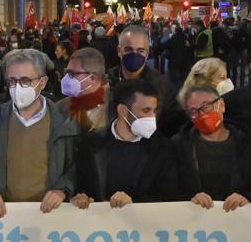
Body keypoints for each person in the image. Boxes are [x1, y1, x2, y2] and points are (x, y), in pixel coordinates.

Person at [0, 49, 78, 218]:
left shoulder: (63, 120)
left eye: (25, 80)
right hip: (6, 215)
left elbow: (72, 167)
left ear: (43, 82)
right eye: (12, 81)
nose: (17, 88)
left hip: (49, 216)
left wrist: (62, 190)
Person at [71, 79, 178, 209]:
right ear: (123, 111)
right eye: (146, 111)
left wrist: (133, 203)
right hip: (98, 226)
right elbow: (80, 186)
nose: (152, 117)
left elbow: (168, 196)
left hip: (142, 226)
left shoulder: (162, 148)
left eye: (154, 111)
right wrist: (80, 198)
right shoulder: (90, 144)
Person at [173, 86, 251, 210]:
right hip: (194, 220)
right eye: (193, 111)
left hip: (237, 219)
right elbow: (169, 188)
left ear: (221, 105)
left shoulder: (248, 143)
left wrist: (247, 198)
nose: (201, 115)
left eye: (205, 107)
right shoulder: (178, 145)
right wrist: (191, 198)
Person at [107, 25, 177, 116]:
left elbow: (173, 121)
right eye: (129, 50)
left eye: (140, 51)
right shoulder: (108, 83)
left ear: (147, 54)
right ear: (119, 51)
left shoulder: (161, 85)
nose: (134, 54)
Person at [62, 48, 110, 133]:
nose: (66, 79)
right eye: (67, 73)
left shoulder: (114, 107)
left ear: (92, 78)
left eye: (73, 74)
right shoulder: (60, 108)